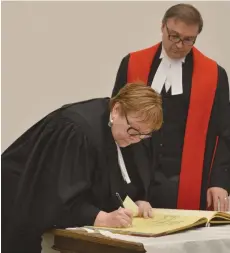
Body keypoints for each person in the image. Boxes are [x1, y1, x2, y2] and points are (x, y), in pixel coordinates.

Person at [2, 83, 163, 253]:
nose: (136, 139)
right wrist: (102, 218)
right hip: (19, 191)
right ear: (116, 110)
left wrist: (137, 201)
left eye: (145, 135)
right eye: (134, 131)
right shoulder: (77, 130)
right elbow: (59, 194)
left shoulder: (128, 130)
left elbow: (117, 178)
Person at [112, 3, 230, 212]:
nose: (179, 44)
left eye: (188, 40)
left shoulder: (215, 74)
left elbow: (224, 133)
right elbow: (115, 118)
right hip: (137, 175)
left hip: (186, 179)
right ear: (162, 27)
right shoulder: (132, 63)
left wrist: (219, 181)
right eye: (174, 35)